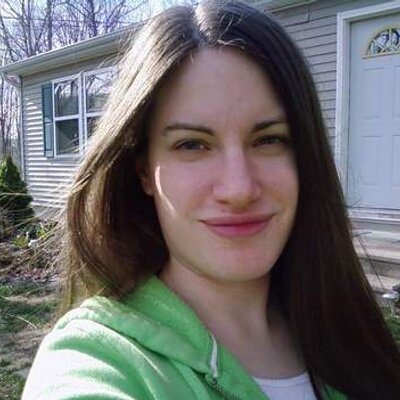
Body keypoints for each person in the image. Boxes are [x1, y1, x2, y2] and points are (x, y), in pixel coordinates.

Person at [22, 1, 400, 399]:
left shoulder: (347, 336)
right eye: (192, 144)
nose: (239, 189)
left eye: (268, 140)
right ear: (144, 171)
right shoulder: (98, 359)